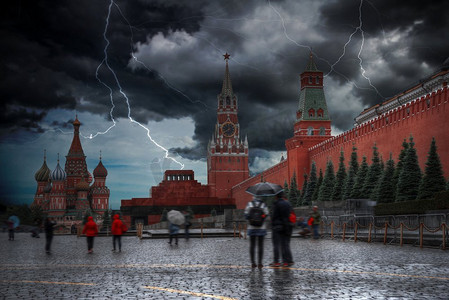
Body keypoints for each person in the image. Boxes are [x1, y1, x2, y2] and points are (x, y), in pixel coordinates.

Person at [269, 191, 294, 267]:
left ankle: (276, 262)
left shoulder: (276, 204)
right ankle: (285, 262)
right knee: (285, 244)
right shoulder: (287, 203)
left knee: (276, 245)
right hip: (285, 226)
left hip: (277, 227)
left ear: (276, 196)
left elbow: (273, 216)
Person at [244, 196, 269, 269]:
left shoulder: (250, 204)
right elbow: (266, 214)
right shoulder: (263, 204)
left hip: (251, 228)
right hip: (261, 228)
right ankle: (260, 263)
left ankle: (253, 263)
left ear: (253, 197)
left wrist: (251, 220)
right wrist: (262, 218)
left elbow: (246, 215)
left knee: (252, 245)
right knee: (260, 245)